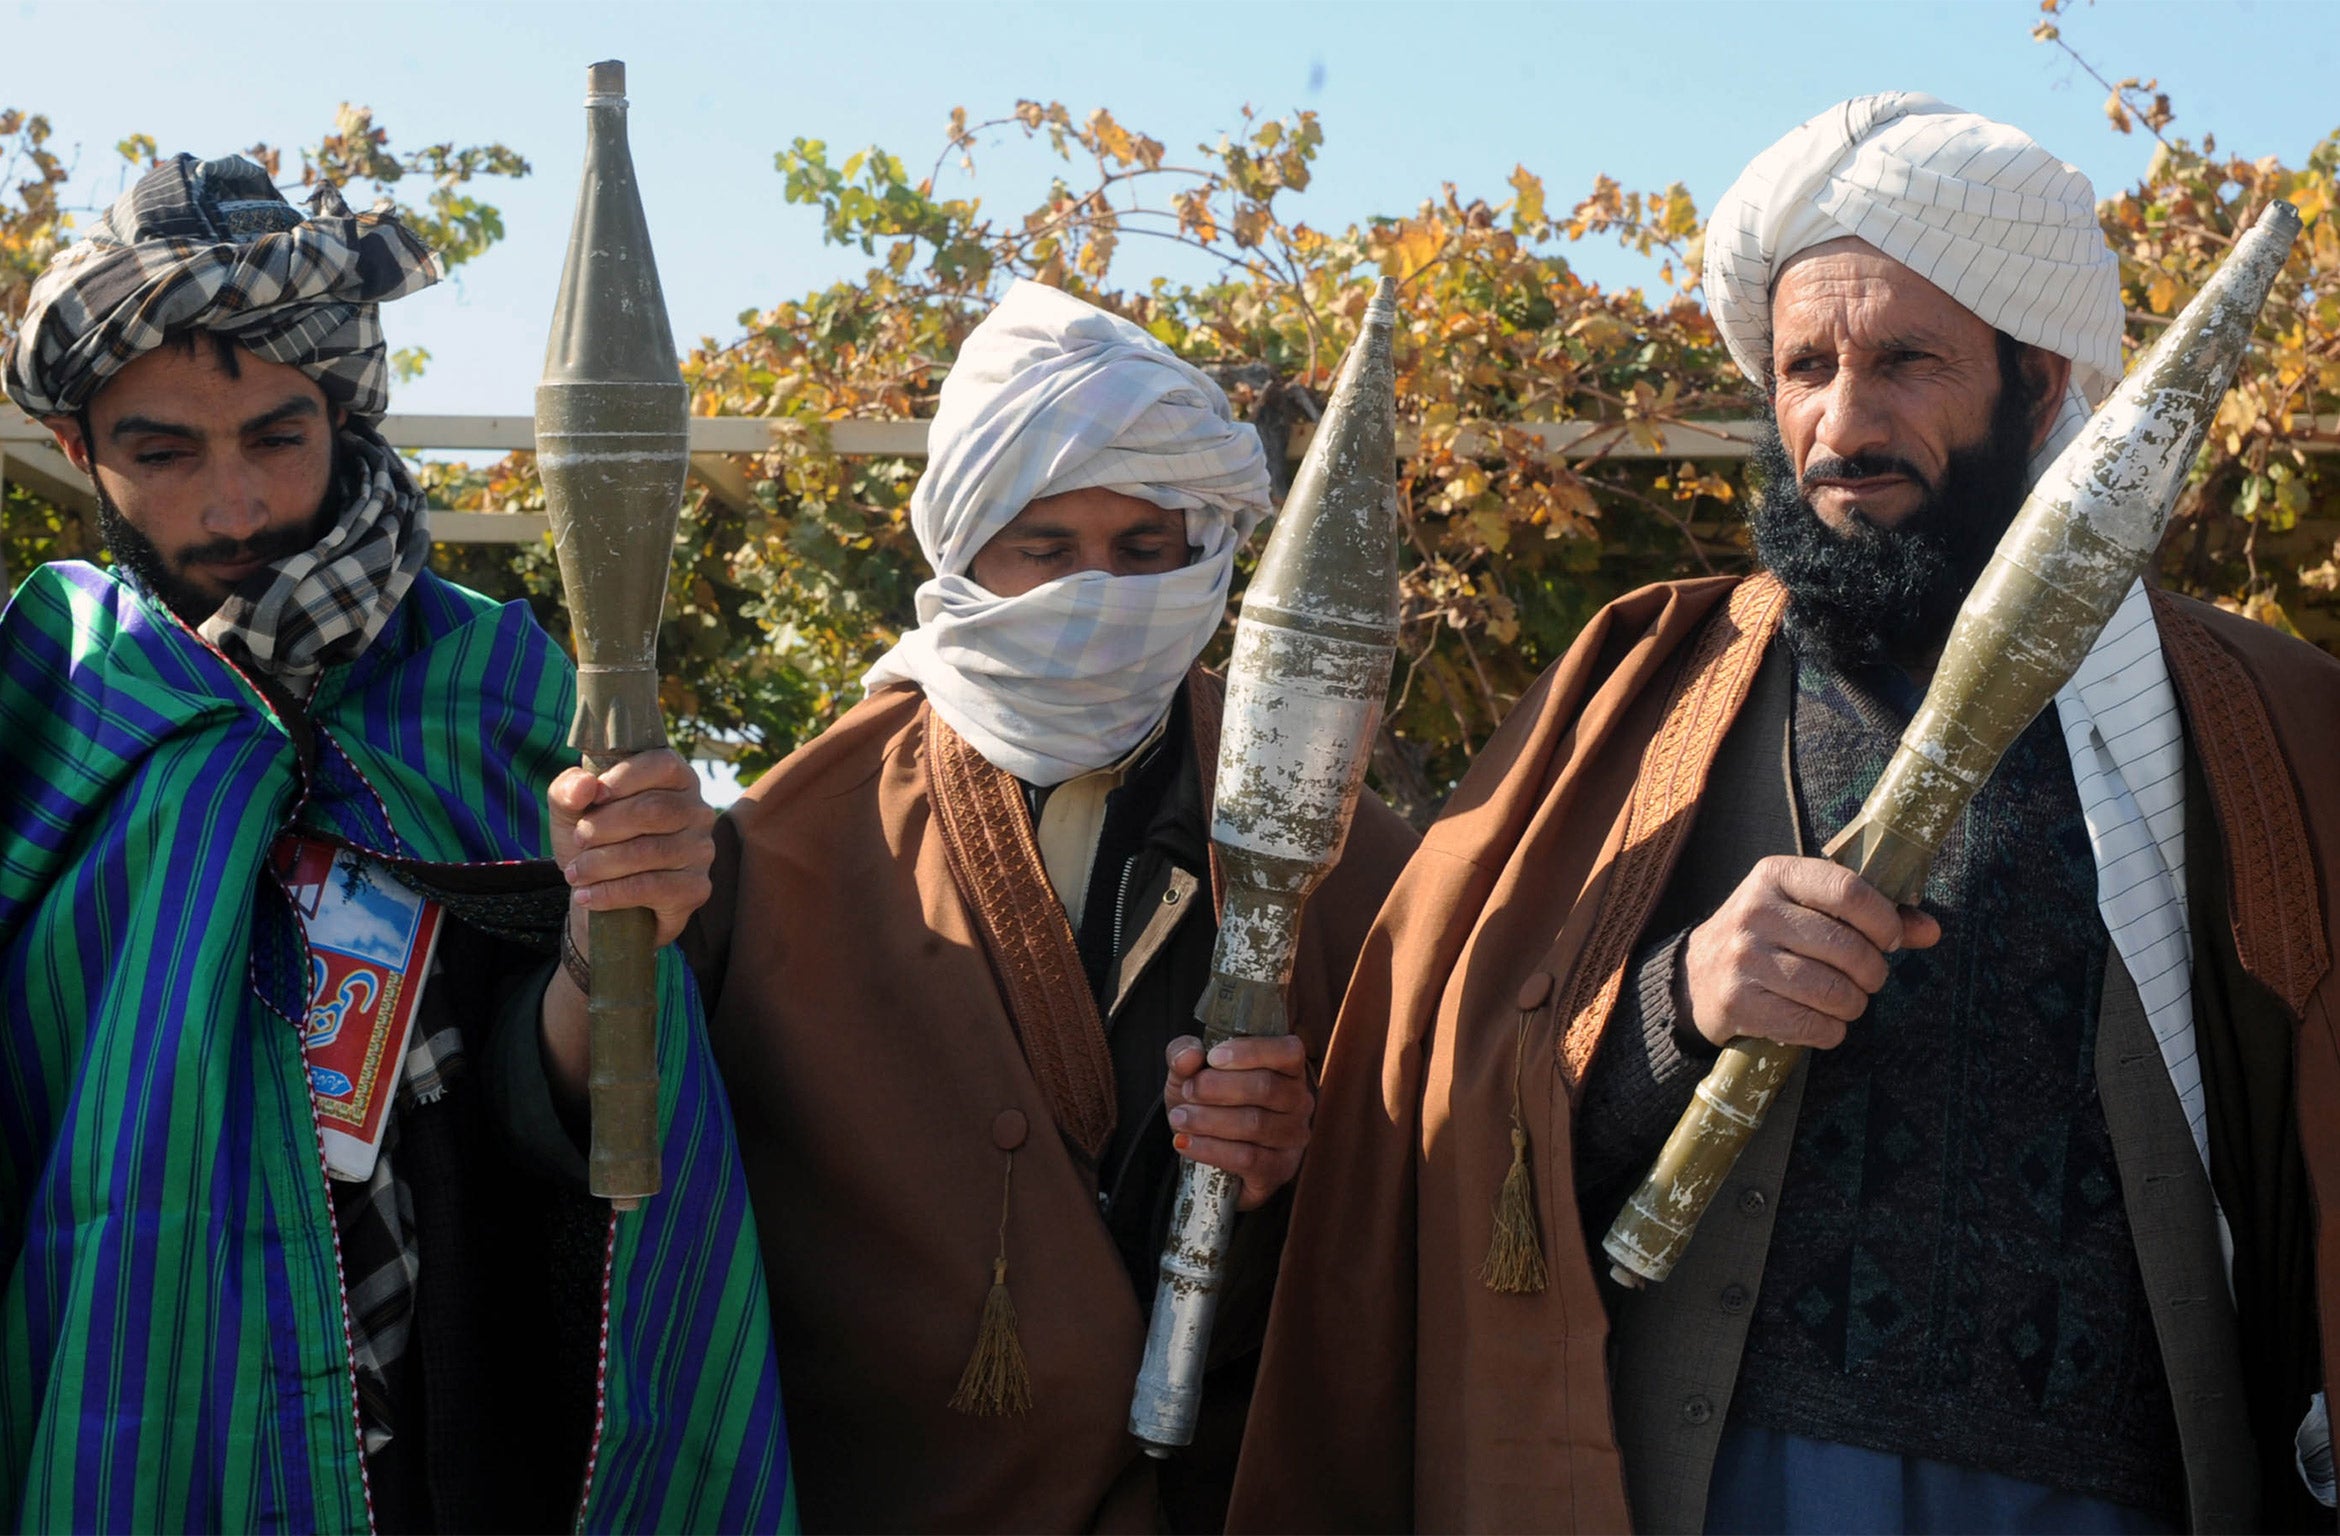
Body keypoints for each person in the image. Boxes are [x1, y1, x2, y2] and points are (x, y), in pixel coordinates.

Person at [1232, 94, 2338, 1534]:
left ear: (2043, 382)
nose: (1841, 423)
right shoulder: (1642, 695)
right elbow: (1434, 1099)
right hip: (1732, 1481)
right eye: (1803, 366)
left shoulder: (2255, 720)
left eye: (1906, 364)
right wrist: (1675, 1004)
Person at [0, 155, 791, 1532]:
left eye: (277, 436)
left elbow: (550, 1107)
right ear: (80, 450)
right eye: (163, 450)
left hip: (458, 1418)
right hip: (133, 1399)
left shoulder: (495, 686)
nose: (233, 507)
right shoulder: (50, 694)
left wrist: (612, 942)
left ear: (348, 411)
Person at [686, 279, 1417, 1532]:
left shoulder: (1350, 855)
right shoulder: (795, 845)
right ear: (964, 553)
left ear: (1203, 554)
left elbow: (1427, 1197)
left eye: (1142, 554)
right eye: (1046, 550)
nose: (1098, 595)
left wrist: (1297, 1162)